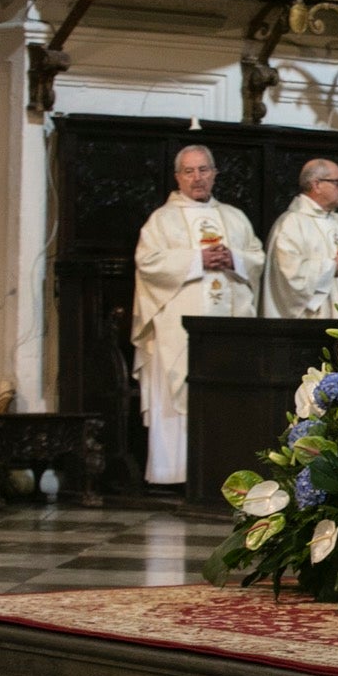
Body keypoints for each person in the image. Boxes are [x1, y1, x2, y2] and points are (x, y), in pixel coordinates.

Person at [131, 145, 264, 485]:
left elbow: (258, 258)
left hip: (230, 327)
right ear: (177, 177)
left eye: (204, 170)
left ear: (215, 174)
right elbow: (148, 263)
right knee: (179, 389)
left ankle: (226, 470)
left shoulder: (234, 218)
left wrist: (232, 258)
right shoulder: (161, 220)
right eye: (189, 171)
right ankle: (174, 474)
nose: (197, 178)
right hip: (178, 329)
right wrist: (197, 260)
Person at [261, 159, 338, 319]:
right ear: (316, 185)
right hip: (312, 321)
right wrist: (332, 268)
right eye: (337, 182)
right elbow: (288, 274)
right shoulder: (291, 223)